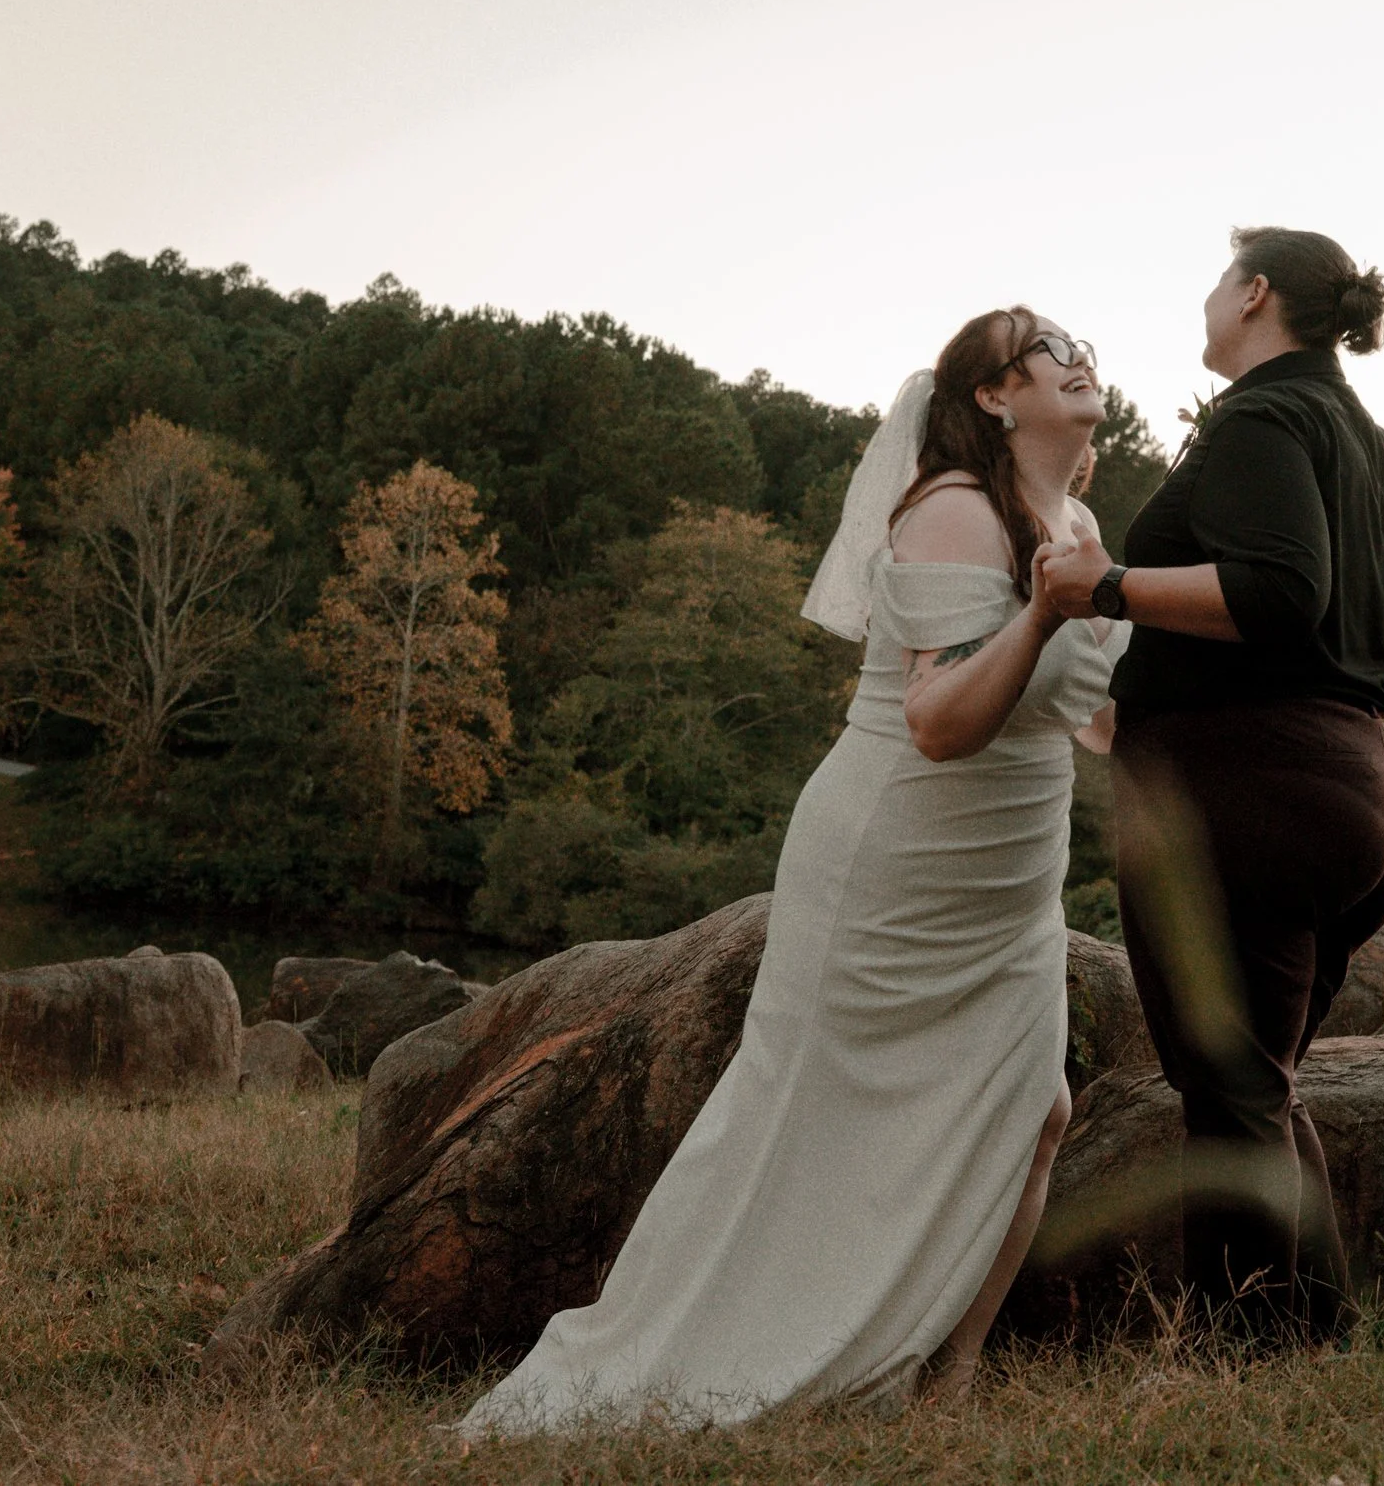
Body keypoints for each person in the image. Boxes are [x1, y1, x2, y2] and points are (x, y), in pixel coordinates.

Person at [460, 306, 1123, 1434]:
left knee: (1036, 1106)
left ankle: (943, 1369)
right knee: (804, 1113)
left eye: (1085, 347)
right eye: (1052, 349)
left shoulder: (1081, 519)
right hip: (900, 857)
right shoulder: (955, 512)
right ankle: (740, 1343)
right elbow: (938, 719)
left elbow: (1090, 720)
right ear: (994, 394)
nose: (1082, 358)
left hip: (1010, 874)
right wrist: (1054, 608)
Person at [1040, 227, 1384, 1341]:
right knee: (1255, 1081)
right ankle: (1311, 1332)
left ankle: (1246, 1351)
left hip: (1247, 802)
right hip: (1359, 801)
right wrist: (1341, 712)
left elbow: (1280, 592)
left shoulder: (1258, 417)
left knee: (1228, 1085)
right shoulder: (1368, 442)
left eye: (1213, 281)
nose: (1203, 301)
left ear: (1252, 294)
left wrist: (1108, 587)